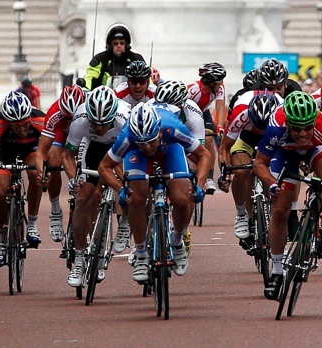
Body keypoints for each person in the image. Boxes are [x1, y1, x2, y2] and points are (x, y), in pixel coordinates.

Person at [97, 104, 211, 282]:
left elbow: (204, 155)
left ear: (158, 132)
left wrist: (200, 185)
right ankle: (141, 253)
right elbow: (104, 167)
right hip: (136, 155)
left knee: (182, 198)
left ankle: (177, 239)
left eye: (150, 141)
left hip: (170, 148)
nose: (148, 147)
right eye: (143, 143)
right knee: (136, 198)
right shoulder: (128, 137)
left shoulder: (171, 128)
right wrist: (120, 189)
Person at [252, 91, 322, 301]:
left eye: (307, 128)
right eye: (297, 129)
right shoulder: (275, 126)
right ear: (288, 124)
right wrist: (272, 184)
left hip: (313, 150)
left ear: (314, 122)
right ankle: (276, 270)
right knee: (282, 209)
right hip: (285, 154)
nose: (302, 134)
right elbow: (259, 164)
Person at [58, 86, 133, 288]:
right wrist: (74, 179)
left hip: (119, 148)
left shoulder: (125, 118)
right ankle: (80, 259)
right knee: (83, 199)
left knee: (129, 184)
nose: (99, 128)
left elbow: (133, 157)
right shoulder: (81, 119)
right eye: (95, 123)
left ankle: (125, 218)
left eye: (103, 124)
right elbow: (67, 156)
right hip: (92, 148)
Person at [0, 91, 48, 267]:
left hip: (32, 150)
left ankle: (32, 225)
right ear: (7, 122)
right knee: (0, 192)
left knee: (36, 174)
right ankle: (1, 240)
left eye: (24, 124)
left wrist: (46, 173)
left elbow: (48, 153)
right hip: (6, 152)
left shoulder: (41, 121)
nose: (22, 129)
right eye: (16, 126)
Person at [221, 91, 282, 241]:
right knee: (242, 171)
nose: (261, 129)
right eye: (258, 125)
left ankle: (278, 219)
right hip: (246, 139)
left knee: (276, 174)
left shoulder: (282, 112)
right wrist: (226, 174)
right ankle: (241, 213)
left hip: (272, 140)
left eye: (264, 126)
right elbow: (224, 148)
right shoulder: (240, 113)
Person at [36, 84, 85, 242]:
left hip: (83, 136)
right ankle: (56, 209)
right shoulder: (54, 112)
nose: (71, 119)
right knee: (53, 161)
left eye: (73, 116)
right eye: (67, 116)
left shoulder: (88, 108)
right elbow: (41, 151)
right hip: (61, 137)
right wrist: (42, 173)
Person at [187, 62, 227, 193]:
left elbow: (220, 107)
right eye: (219, 81)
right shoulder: (193, 89)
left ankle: (209, 177)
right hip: (187, 114)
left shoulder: (219, 88)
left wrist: (220, 126)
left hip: (203, 113)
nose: (221, 84)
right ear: (210, 82)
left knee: (209, 139)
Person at [84, 23, 147, 90]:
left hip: (131, 98)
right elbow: (90, 78)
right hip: (105, 97)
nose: (119, 46)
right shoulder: (100, 59)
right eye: (115, 43)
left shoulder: (136, 59)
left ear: (127, 45)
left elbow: (146, 78)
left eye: (122, 43)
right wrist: (85, 89)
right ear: (110, 46)